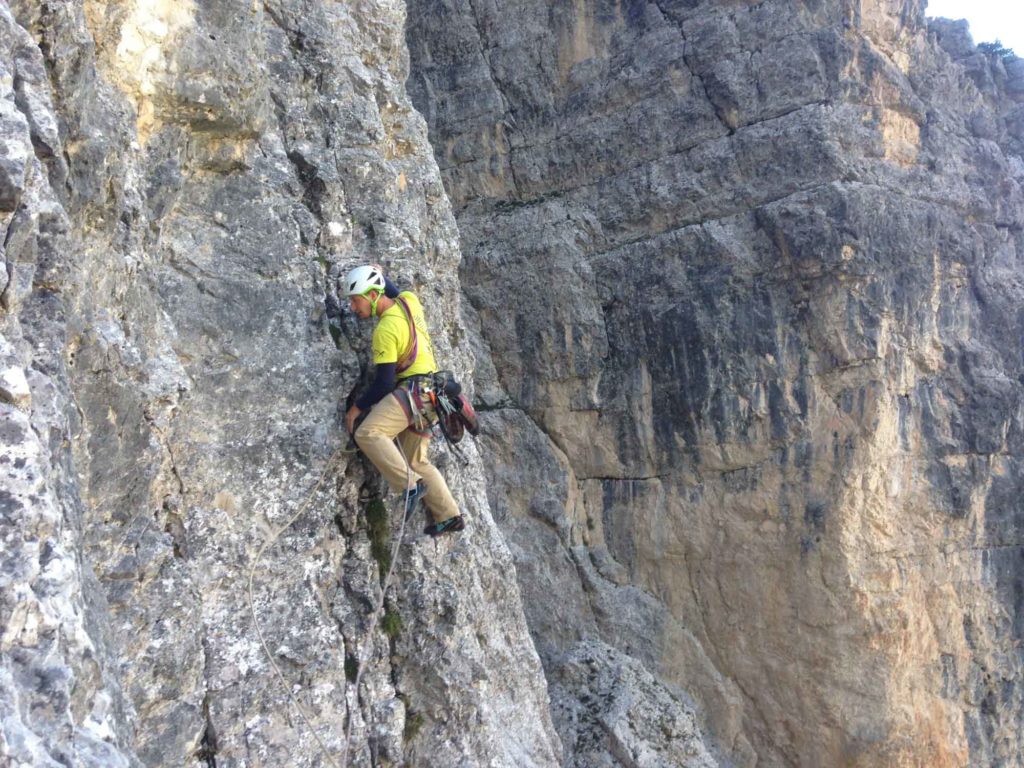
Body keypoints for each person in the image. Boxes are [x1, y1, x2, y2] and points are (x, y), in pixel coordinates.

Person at [343, 264, 466, 537]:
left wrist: (355, 409)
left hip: (413, 394)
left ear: (373, 295)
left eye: (355, 299)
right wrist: (379, 274)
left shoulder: (385, 330)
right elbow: (392, 290)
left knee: (369, 432)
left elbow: (384, 384)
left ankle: (409, 485)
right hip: (434, 397)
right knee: (416, 460)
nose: (353, 307)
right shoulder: (410, 303)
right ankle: (449, 515)